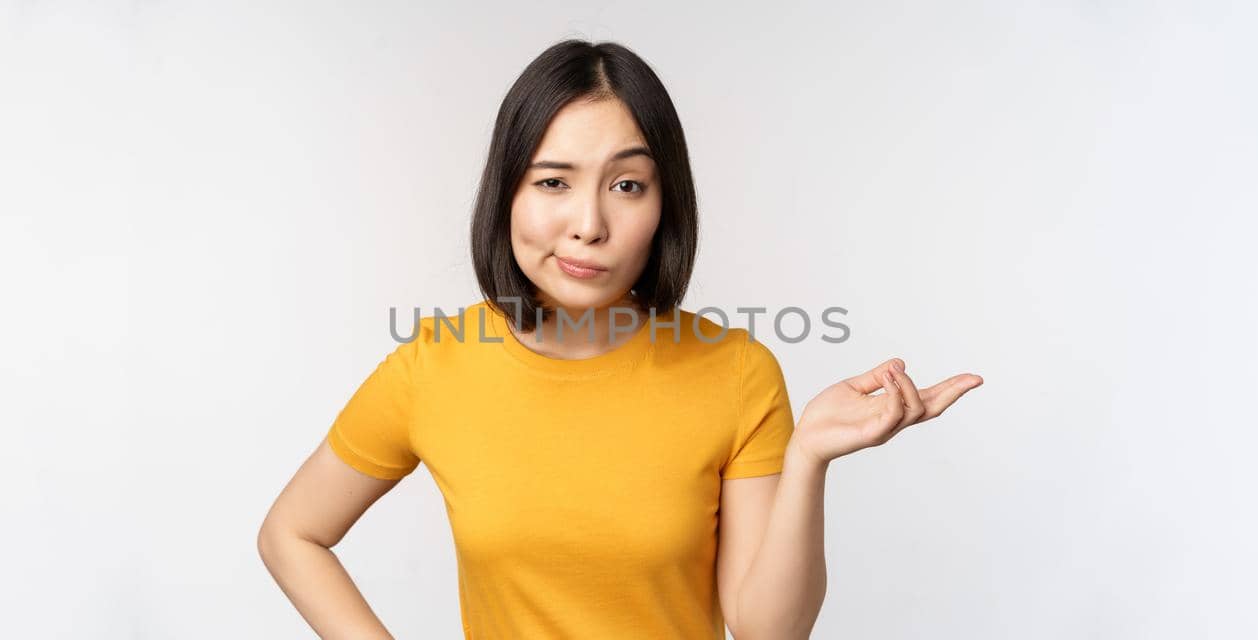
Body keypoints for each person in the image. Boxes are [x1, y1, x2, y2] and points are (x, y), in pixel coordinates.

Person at [257, 39, 984, 639]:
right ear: (507, 190)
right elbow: (292, 533)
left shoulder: (736, 372)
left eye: (627, 185)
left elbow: (767, 632)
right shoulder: (435, 366)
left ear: (665, 206)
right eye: (553, 182)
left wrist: (809, 460)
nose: (589, 224)